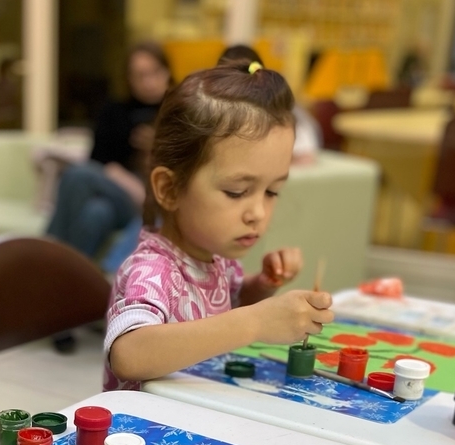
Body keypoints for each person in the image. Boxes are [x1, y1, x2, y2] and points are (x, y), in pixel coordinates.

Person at [104, 61, 335, 391]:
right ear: (170, 189)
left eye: (272, 192)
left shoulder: (215, 258)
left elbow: (225, 314)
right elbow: (129, 354)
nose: (258, 212)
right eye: (236, 192)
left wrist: (262, 286)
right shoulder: (153, 270)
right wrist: (256, 321)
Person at [47, 41, 172, 352]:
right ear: (128, 79)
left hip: (157, 200)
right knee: (95, 211)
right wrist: (127, 181)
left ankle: (50, 270)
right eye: (138, 75)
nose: (147, 81)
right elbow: (99, 163)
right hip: (122, 197)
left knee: (78, 176)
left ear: (167, 72)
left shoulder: (180, 110)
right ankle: (64, 301)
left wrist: (155, 145)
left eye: (153, 72)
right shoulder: (115, 111)